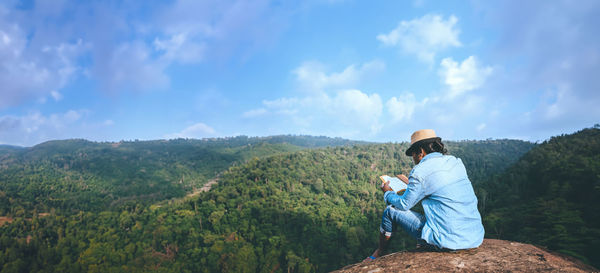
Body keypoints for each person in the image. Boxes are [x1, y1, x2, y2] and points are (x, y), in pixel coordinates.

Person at [364, 129, 484, 261]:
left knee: (390, 211)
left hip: (447, 240)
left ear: (421, 151)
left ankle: (379, 253)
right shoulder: (455, 162)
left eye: (413, 154)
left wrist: (388, 193)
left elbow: (404, 204)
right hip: (474, 236)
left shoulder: (420, 171)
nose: (413, 158)